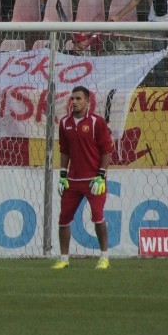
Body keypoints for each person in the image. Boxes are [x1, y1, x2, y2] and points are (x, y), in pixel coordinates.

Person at [52, 86, 113, 271]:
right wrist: (63, 173)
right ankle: (63, 258)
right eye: (72, 99)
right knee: (63, 220)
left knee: (97, 217)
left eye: (78, 98)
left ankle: (104, 257)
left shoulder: (97, 122)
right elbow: (64, 150)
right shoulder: (64, 123)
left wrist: (101, 175)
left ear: (88, 101)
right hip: (72, 181)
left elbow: (107, 151)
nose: (75, 102)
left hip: (94, 180)